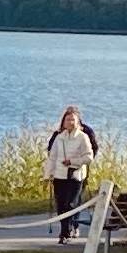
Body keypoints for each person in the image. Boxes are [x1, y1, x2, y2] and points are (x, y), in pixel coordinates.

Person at [45, 104, 97, 244]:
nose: (70, 122)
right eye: (68, 120)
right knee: (61, 206)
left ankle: (65, 233)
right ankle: (65, 232)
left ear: (78, 121)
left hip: (75, 176)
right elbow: (52, 157)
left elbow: (89, 157)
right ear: (63, 122)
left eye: (73, 120)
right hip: (59, 176)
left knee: (70, 204)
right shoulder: (58, 137)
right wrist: (47, 175)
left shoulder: (83, 137)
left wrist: (73, 162)